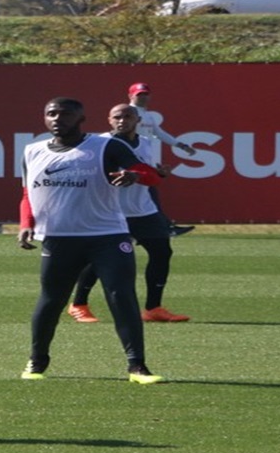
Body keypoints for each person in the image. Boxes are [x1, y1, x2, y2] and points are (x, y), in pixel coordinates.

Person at [17, 97, 164, 384]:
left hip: (106, 236)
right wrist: (26, 224)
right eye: (51, 113)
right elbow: (27, 194)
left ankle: (137, 367)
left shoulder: (105, 145)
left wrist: (133, 175)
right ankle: (37, 362)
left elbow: (150, 175)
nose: (57, 118)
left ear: (81, 118)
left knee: (121, 296)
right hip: (59, 239)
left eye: (66, 114)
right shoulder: (32, 151)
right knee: (51, 301)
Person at [67, 104, 191, 325]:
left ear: (138, 120)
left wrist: (158, 173)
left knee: (162, 253)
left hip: (142, 210)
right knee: (98, 260)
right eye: (117, 117)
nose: (122, 120)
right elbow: (90, 172)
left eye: (127, 116)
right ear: (109, 119)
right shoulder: (100, 143)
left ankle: (153, 308)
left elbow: (147, 173)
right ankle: (78, 304)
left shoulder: (145, 143)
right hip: (111, 211)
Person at [128, 82, 196, 236]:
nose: (143, 97)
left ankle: (160, 228)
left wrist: (181, 145)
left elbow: (160, 133)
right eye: (139, 94)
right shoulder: (128, 112)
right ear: (130, 96)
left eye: (145, 94)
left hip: (144, 161)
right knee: (148, 197)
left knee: (148, 197)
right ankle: (163, 228)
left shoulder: (148, 115)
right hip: (130, 162)